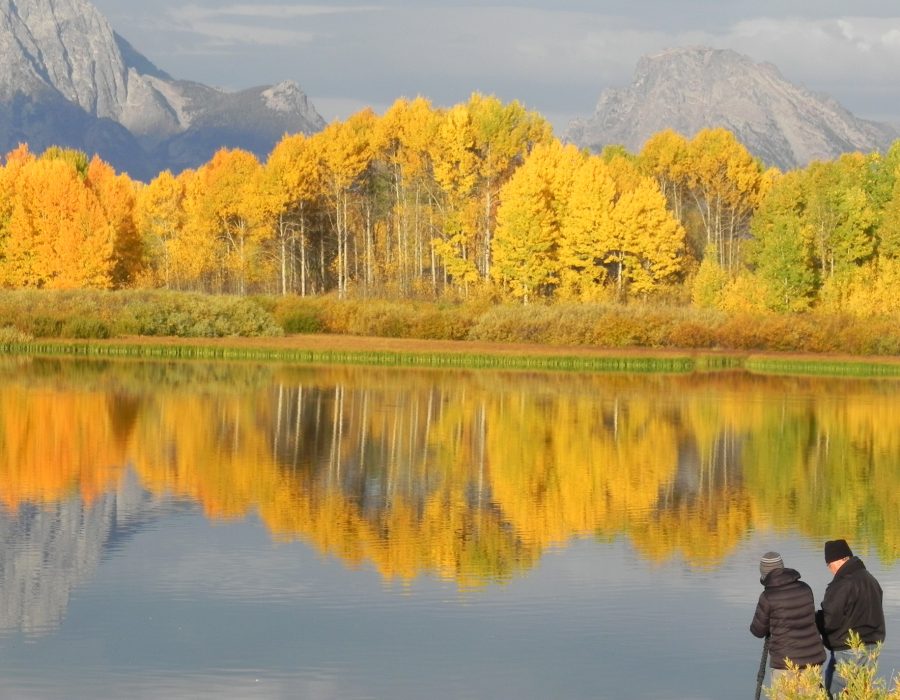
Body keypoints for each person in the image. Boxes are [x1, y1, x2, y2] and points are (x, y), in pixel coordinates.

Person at [816, 539, 886, 697]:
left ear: (837, 560)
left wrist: (813, 620)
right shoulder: (869, 578)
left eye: (829, 565)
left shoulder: (842, 584)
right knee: (861, 691)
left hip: (848, 649)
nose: (830, 570)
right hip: (872, 646)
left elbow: (830, 619)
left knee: (835, 692)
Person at [750, 551, 826, 696]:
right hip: (813, 660)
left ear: (764, 574)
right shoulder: (805, 588)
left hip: (785, 664)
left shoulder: (768, 596)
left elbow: (758, 631)